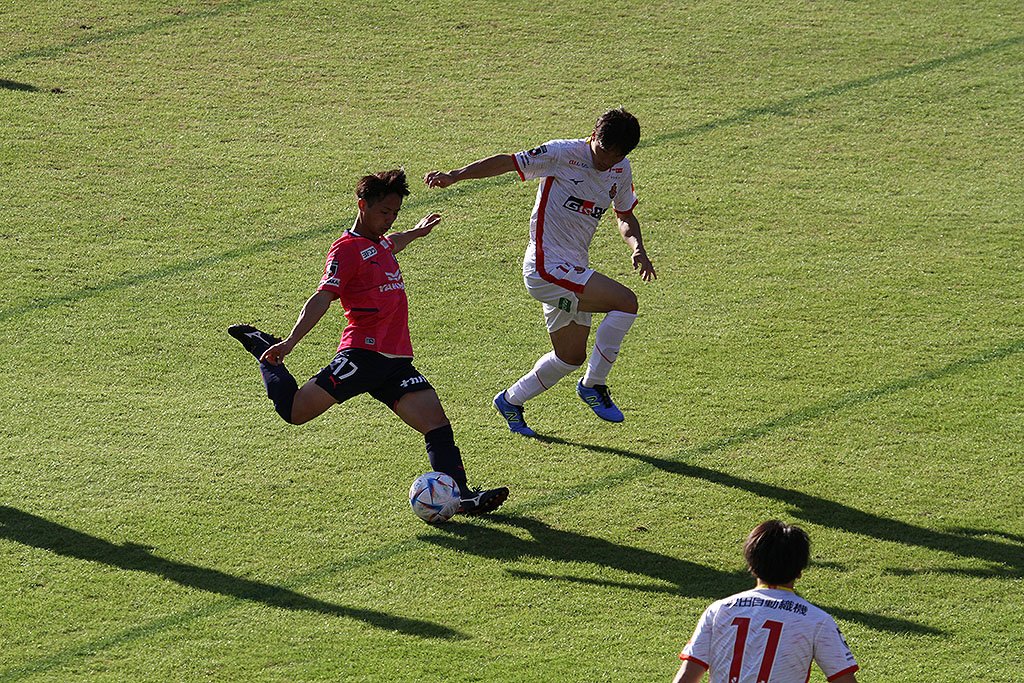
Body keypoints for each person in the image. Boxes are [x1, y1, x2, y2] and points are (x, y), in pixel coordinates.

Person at [228, 169, 508, 516]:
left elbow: (394, 241)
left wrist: (417, 231)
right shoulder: (345, 250)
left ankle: (462, 497)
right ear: (362, 205)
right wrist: (290, 342)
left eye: (395, 213)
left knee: (436, 423)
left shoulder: (381, 242)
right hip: (362, 355)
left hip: (395, 362)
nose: (390, 220)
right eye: (384, 212)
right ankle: (265, 352)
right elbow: (322, 297)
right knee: (294, 411)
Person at [424, 107, 656, 437]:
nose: (606, 161)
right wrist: (455, 175)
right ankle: (594, 385)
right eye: (603, 152)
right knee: (626, 302)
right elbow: (508, 162)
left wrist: (637, 248)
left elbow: (625, 216)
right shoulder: (562, 153)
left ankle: (510, 401)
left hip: (573, 268)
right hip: (546, 267)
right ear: (593, 136)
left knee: (570, 356)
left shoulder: (620, 169)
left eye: (615, 156)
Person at [671, 520, 859, 683]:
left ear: (751, 565)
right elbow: (844, 679)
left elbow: (686, 677)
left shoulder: (719, 610)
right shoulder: (817, 620)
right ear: (800, 571)